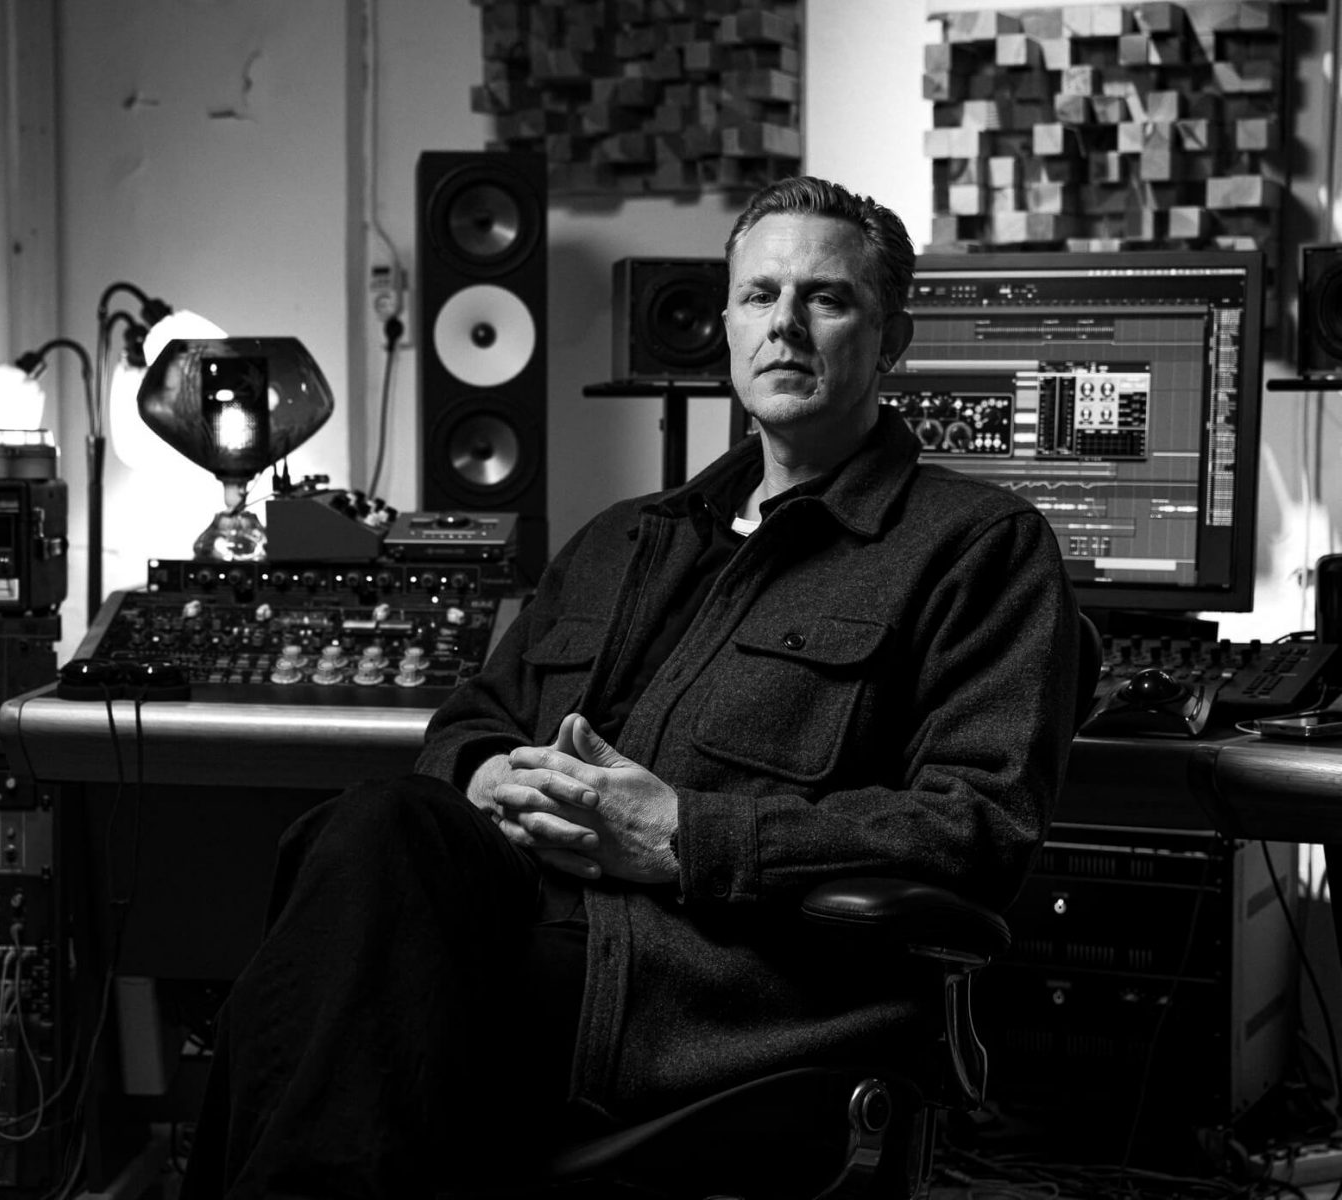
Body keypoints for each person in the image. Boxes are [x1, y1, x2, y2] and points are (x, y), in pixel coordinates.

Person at [179, 175, 1082, 1199]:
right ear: (729, 322)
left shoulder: (976, 547)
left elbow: (975, 829)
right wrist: (486, 778)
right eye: (757, 295)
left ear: (892, 338)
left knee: (333, 1003)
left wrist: (680, 836)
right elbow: (470, 718)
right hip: (521, 931)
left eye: (823, 299)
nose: (782, 324)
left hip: (712, 991)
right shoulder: (622, 537)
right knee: (371, 832)